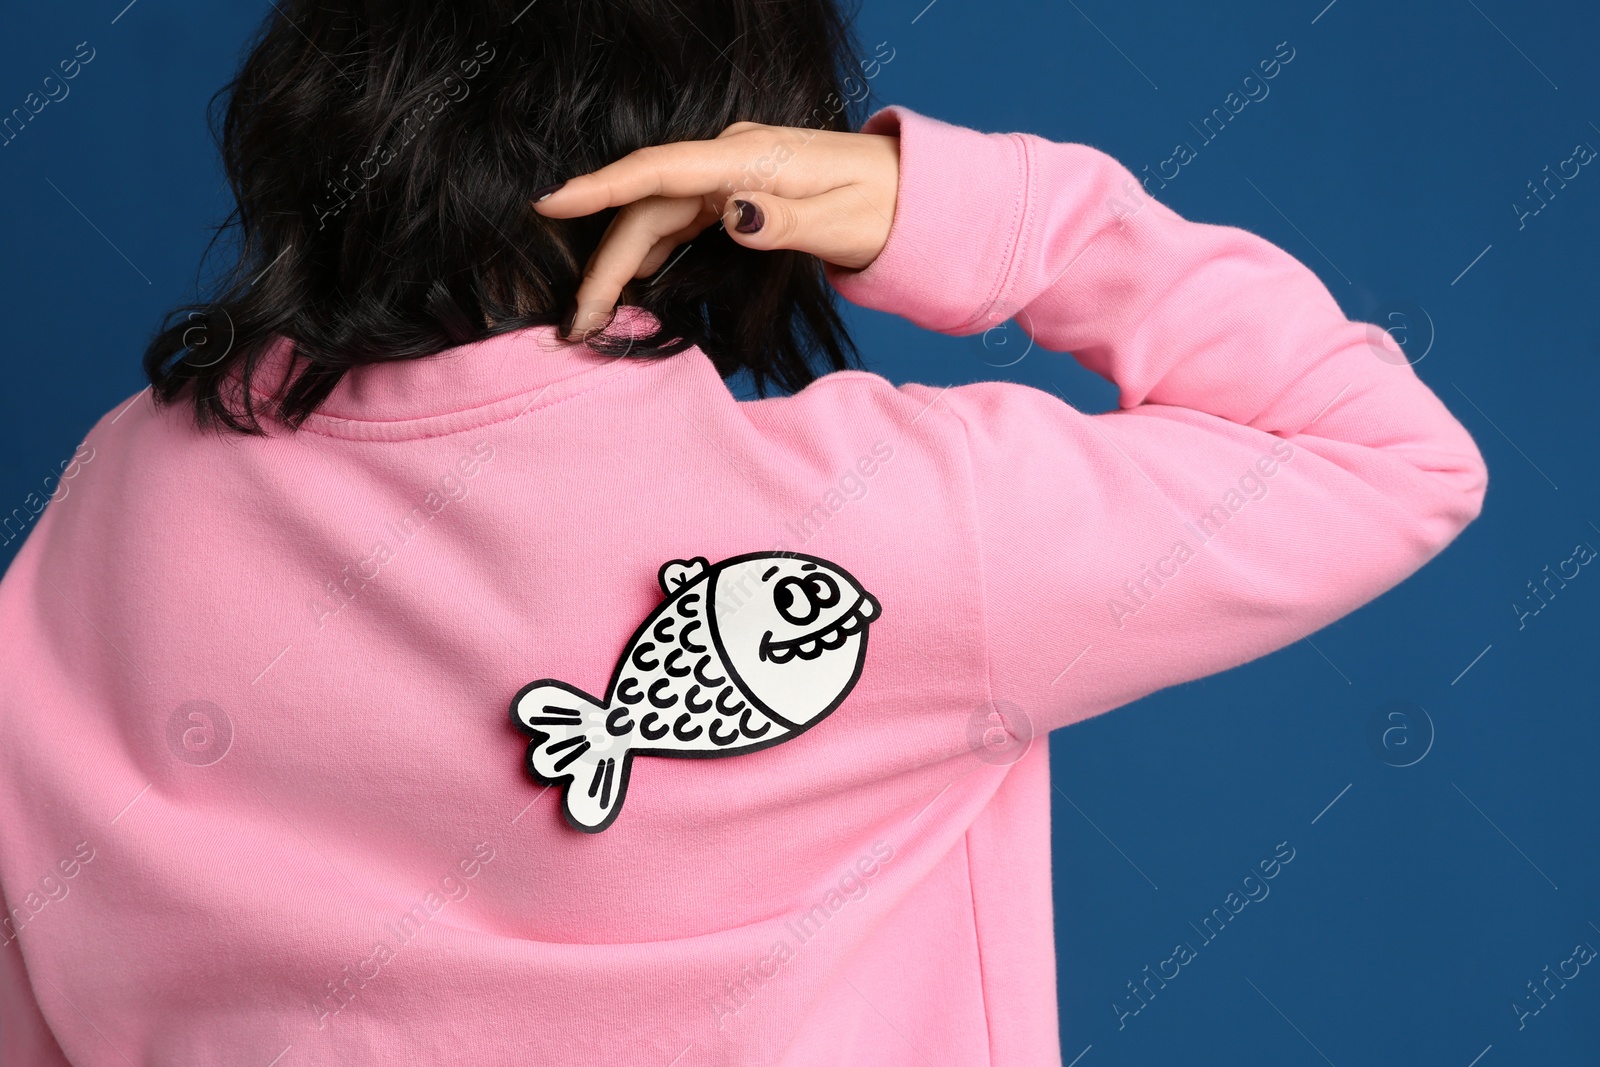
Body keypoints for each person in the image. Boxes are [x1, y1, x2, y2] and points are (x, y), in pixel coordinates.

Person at [0, 1, 1486, 1063]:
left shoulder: (123, 495)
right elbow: (1388, 455)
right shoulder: (886, 524)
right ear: (729, 153)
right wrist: (944, 202)